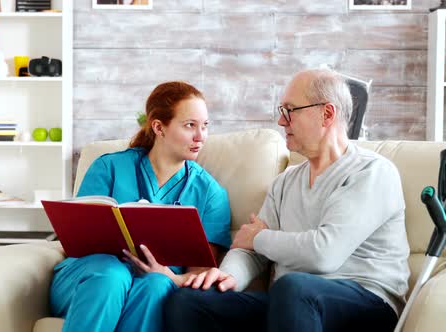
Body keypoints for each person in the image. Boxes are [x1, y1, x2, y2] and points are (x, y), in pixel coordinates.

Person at [164, 69, 410, 332]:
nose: (282, 121)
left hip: (365, 303)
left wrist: (259, 238)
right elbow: (249, 249)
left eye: (290, 110)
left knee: (294, 287)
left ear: (326, 114)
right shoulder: (287, 181)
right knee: (189, 301)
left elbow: (324, 254)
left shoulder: (371, 172)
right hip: (291, 304)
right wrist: (227, 278)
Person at [49, 81, 231, 332]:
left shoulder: (211, 194)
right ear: (158, 127)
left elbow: (200, 273)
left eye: (205, 126)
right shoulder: (108, 168)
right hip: (91, 276)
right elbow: (77, 243)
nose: (200, 136)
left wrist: (167, 274)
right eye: (190, 125)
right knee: (113, 275)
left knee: (156, 285)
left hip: (157, 282)